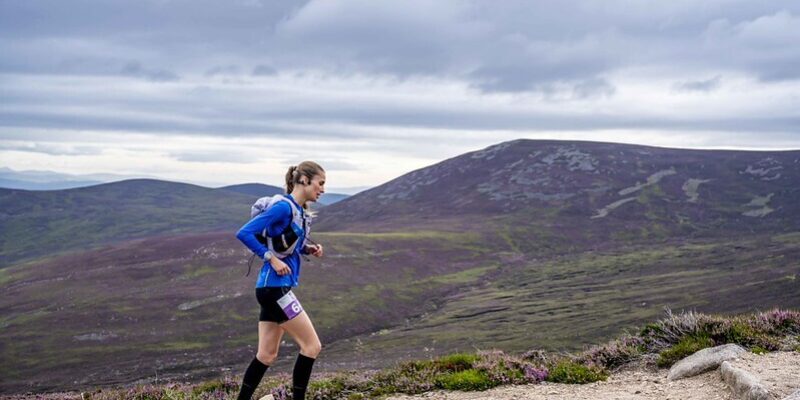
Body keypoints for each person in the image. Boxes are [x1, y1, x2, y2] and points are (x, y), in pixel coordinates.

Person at [234, 161, 326, 400]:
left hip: (269, 288)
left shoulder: (297, 211)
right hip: (275, 289)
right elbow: (243, 232)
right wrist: (271, 259)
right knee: (312, 346)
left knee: (266, 355)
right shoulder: (283, 208)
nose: (323, 189)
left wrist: (308, 249)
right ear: (304, 180)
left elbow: (285, 244)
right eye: (321, 183)